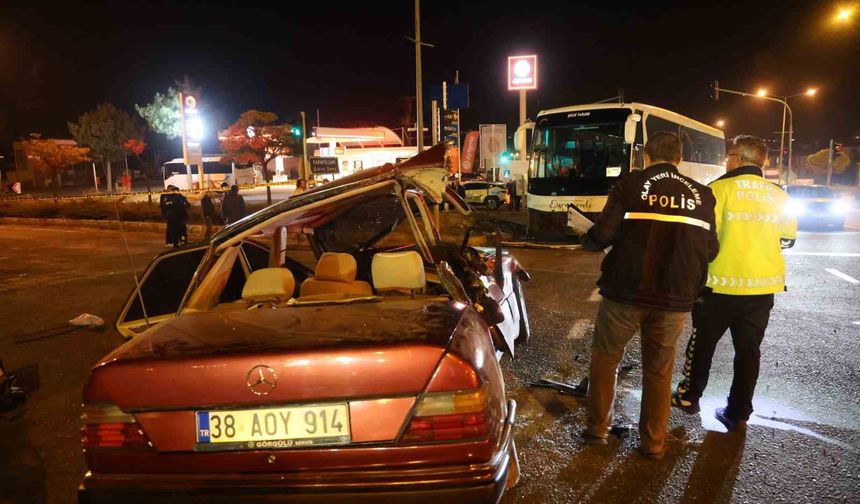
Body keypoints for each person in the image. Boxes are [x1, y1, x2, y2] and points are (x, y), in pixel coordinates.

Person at [580, 131, 718, 458]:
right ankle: (654, 442)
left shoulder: (629, 184)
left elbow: (604, 233)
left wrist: (587, 239)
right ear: (679, 158)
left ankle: (597, 429)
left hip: (626, 291)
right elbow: (711, 250)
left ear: (646, 156)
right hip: (675, 297)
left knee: (606, 358)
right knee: (659, 369)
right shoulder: (702, 195)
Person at [672, 135, 797, 431]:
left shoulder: (716, 190)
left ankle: (689, 397)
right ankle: (739, 411)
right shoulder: (779, 195)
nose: (727, 161)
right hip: (762, 288)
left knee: (701, 344)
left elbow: (701, 239)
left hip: (718, 286)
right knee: (748, 351)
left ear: (737, 160)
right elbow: (787, 239)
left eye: (729, 156)